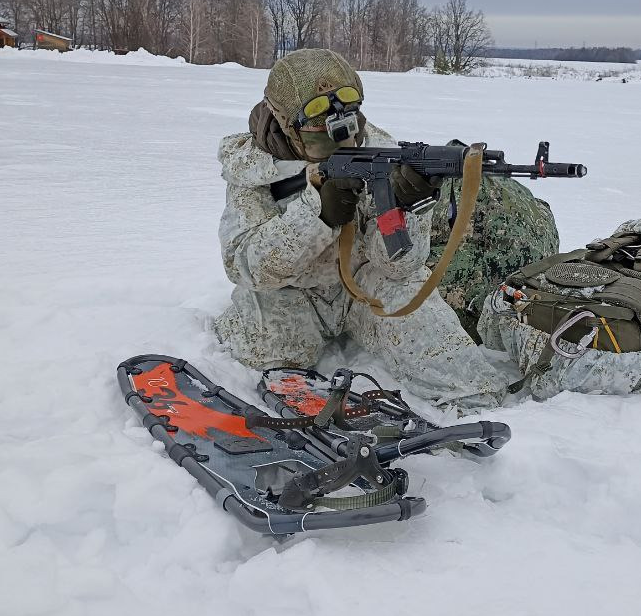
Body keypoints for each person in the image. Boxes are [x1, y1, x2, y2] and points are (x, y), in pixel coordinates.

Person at [212, 48, 514, 413]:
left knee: (457, 369)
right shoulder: (253, 172)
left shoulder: (378, 152)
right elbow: (245, 267)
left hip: (361, 287)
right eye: (320, 119)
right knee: (271, 356)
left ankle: (484, 417)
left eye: (348, 113)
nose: (340, 128)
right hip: (287, 295)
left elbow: (399, 269)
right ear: (284, 121)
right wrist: (317, 214)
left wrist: (407, 205)